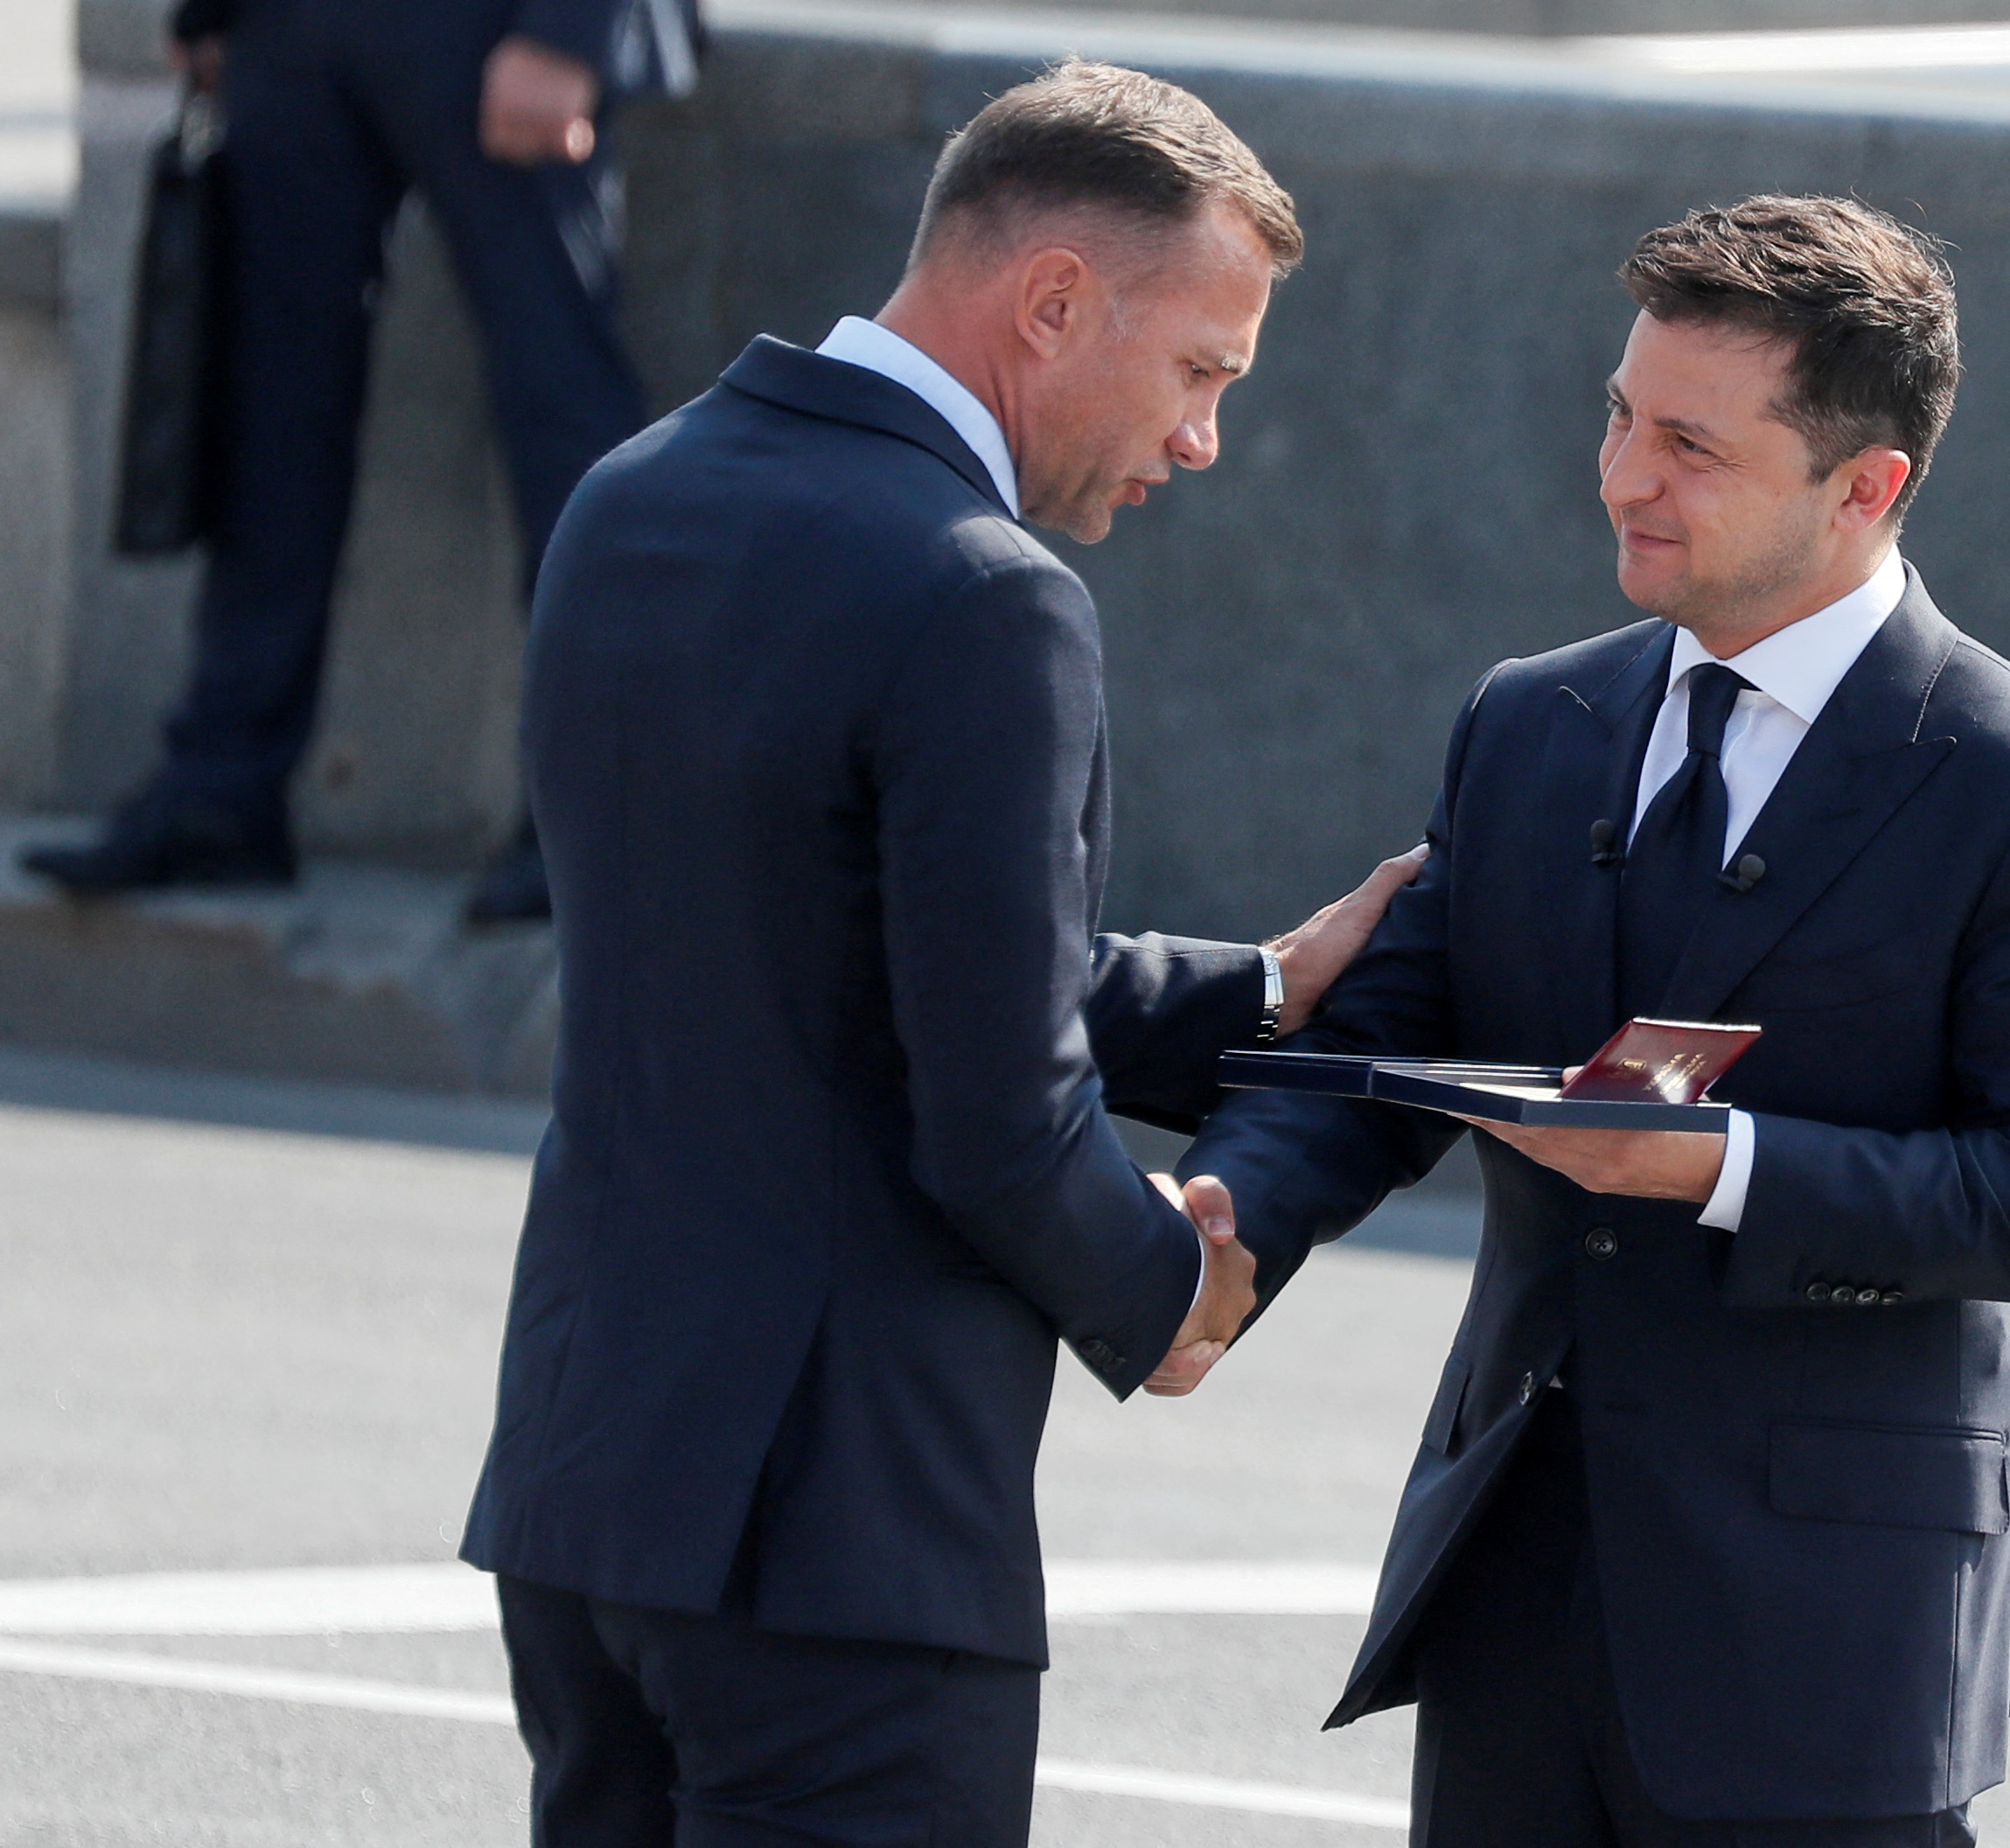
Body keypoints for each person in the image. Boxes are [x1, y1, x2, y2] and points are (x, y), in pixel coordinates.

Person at [457, 62, 1419, 1843]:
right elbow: (995, 1109)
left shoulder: (631, 494)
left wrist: (1272, 987)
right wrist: (1166, 1294)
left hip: (589, 1490)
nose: (1202, 438)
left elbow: (825, 951)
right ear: (1054, 302)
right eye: (1200, 368)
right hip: (842, 1536)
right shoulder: (987, 592)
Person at [1180, 195, 2010, 1845]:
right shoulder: (1530, 719)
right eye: (1616, 415)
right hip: (1509, 1578)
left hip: (1822, 1631)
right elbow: (1387, 1041)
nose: (1621, 477)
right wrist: (1231, 1214)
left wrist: (1718, 1165)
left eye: (1690, 447)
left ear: (1866, 488)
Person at [20, 0, 699, 921]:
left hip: (498, 26)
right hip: (289, 26)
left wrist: (567, 31)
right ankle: (219, 790)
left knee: (561, 405)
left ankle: (590, 813)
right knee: (267, 408)